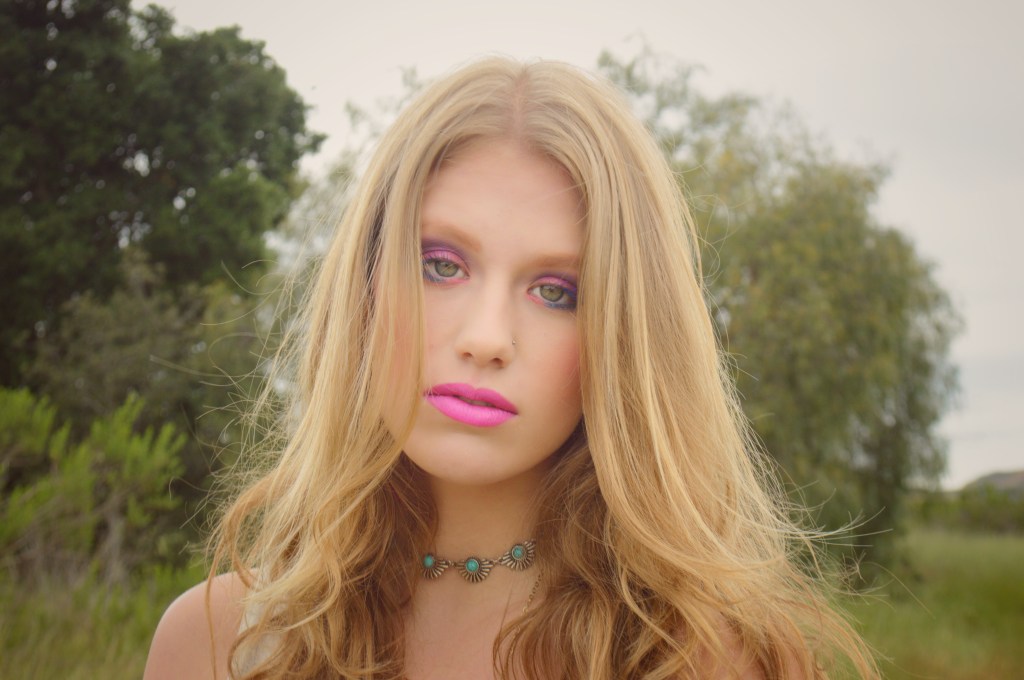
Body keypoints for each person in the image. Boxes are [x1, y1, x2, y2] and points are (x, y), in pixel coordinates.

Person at [144, 57, 877, 679]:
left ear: (621, 340)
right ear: (364, 287)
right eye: (440, 264)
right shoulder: (210, 644)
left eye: (557, 292)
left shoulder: (698, 659)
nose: (487, 338)